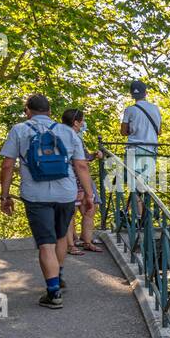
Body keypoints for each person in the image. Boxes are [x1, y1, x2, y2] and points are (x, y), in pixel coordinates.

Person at [0, 94, 95, 308]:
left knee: (46, 243)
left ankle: (53, 293)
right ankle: (58, 276)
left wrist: (4, 196)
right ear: (50, 111)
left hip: (36, 195)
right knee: (61, 236)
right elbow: (81, 166)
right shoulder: (67, 131)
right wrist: (89, 196)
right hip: (66, 193)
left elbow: (7, 165)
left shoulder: (20, 130)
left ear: (27, 111)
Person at [61, 108, 104, 252]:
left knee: (71, 213)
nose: (83, 123)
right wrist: (95, 155)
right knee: (89, 209)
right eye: (82, 120)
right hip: (76, 179)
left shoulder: (59, 134)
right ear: (75, 122)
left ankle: (78, 243)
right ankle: (79, 243)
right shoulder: (74, 137)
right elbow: (82, 162)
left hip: (65, 178)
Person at [120, 79, 160, 196]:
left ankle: (137, 213)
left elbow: (123, 131)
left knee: (133, 183)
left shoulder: (130, 110)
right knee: (144, 184)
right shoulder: (155, 109)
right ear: (145, 93)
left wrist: (133, 130)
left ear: (132, 94)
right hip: (151, 149)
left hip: (134, 149)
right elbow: (160, 131)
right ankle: (145, 213)